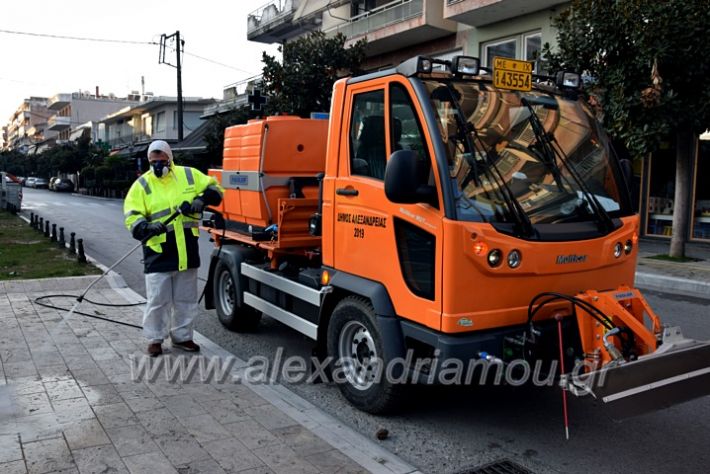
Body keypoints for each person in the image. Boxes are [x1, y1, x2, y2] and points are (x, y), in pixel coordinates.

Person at [123, 140, 223, 357]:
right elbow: (131, 215)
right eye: (153, 161)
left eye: (161, 160)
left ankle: (183, 337)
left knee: (185, 299)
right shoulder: (142, 185)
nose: (157, 165)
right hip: (158, 252)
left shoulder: (189, 175)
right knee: (158, 299)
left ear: (169, 158)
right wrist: (146, 226)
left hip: (186, 250)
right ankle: (155, 339)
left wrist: (202, 200)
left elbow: (216, 189)